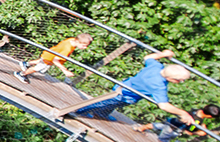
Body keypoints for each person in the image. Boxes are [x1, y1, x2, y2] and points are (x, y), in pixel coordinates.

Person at [68, 50, 199, 123]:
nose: (180, 82)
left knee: (110, 105)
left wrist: (162, 55)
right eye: (179, 80)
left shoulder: (157, 67)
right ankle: (77, 111)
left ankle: (101, 114)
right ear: (171, 78)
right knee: (104, 103)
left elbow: (148, 57)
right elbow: (163, 105)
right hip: (125, 95)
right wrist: (183, 113)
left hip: (123, 86)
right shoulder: (159, 85)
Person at [135, 103, 220, 142]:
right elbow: (189, 131)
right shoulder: (197, 121)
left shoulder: (197, 110)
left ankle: (141, 128)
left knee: (159, 125)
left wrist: (202, 125)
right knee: (164, 138)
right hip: (175, 128)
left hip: (173, 121)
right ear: (209, 116)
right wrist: (200, 132)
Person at [14, 33, 93, 83]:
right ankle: (21, 74)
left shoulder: (71, 40)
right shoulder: (67, 48)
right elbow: (55, 60)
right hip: (50, 58)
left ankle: (27, 63)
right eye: (83, 45)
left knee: (41, 61)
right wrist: (65, 70)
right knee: (38, 68)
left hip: (49, 53)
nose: (85, 47)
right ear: (77, 41)